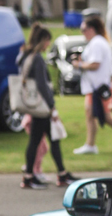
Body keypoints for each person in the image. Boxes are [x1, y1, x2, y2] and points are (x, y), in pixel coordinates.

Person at [15, 25, 76, 190]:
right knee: (42, 140)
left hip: (34, 106)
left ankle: (57, 173)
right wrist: (52, 107)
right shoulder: (38, 59)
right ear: (43, 40)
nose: (48, 44)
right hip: (42, 107)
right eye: (48, 40)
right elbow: (43, 85)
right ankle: (33, 176)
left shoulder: (25, 56)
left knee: (46, 139)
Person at [72, 15, 112, 154]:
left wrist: (79, 64)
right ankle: (90, 145)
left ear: (92, 29)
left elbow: (95, 64)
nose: (82, 32)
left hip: (98, 87)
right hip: (95, 87)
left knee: (105, 117)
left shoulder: (97, 43)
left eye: (84, 29)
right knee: (91, 115)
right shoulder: (97, 42)